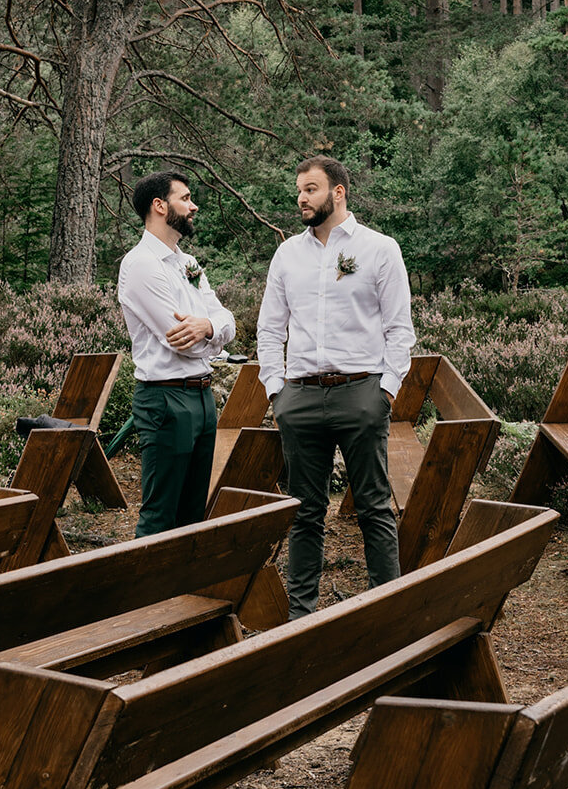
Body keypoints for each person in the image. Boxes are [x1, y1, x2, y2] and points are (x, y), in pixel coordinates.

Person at [257, 154, 415, 617]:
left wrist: (384, 392)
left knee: (374, 509)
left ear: (338, 192)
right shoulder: (287, 254)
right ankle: (300, 618)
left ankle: (385, 612)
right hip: (300, 398)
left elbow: (399, 329)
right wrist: (275, 391)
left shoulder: (380, 249)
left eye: (310, 189)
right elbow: (270, 329)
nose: (300, 198)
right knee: (304, 513)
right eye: (299, 190)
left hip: (361, 394)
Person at [118, 170, 235, 537]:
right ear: (159, 205)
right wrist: (210, 332)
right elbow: (178, 340)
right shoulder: (140, 265)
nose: (193, 205)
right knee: (160, 514)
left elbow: (225, 318)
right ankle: (142, 595)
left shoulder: (188, 263)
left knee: (192, 514)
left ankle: (183, 593)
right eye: (185, 198)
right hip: (165, 399)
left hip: (202, 398)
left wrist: (210, 327)